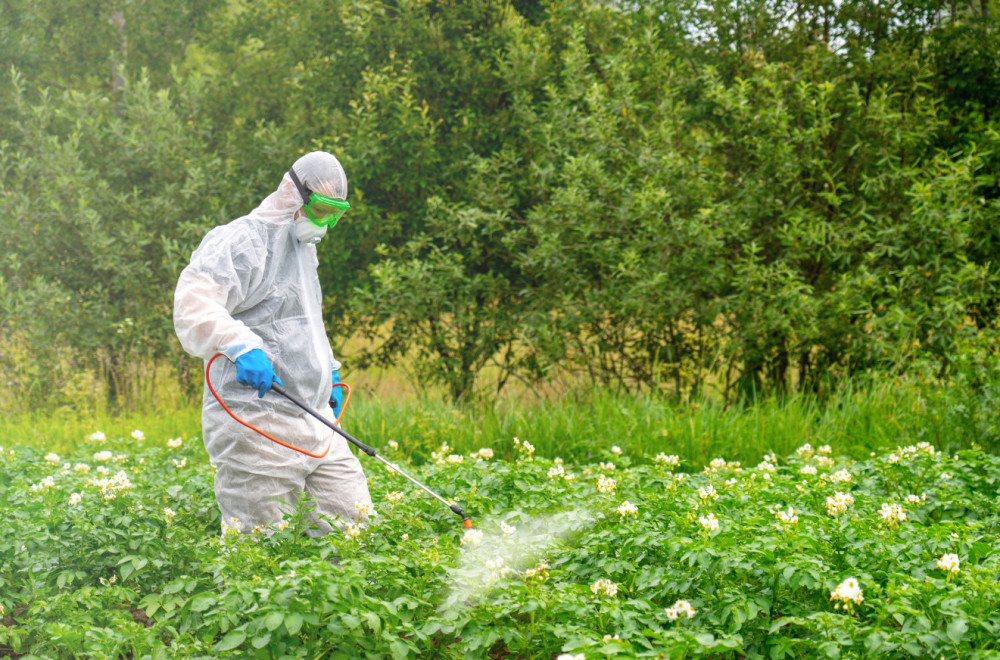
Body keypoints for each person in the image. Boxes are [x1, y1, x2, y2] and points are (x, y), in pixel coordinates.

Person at [173, 151, 373, 536]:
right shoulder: (242, 241)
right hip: (255, 421)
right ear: (295, 195)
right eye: (322, 209)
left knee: (353, 528)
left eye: (337, 213)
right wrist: (238, 344)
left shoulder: (302, 250)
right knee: (258, 549)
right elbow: (193, 303)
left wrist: (327, 370)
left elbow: (304, 321)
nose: (327, 222)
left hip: (314, 420)